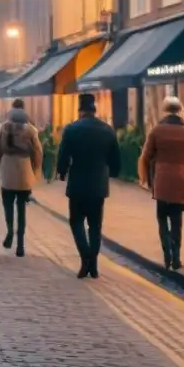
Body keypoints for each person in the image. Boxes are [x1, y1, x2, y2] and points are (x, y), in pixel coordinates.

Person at [56, 93, 120, 278]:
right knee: (95, 225)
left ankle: (86, 256)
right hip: (98, 184)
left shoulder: (72, 129)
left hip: (77, 183)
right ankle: (94, 263)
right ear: (94, 109)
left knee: (75, 222)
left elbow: (63, 154)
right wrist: (113, 173)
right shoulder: (107, 130)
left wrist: (61, 172)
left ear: (80, 110)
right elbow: (115, 158)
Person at [138, 96, 184, 271]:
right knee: (177, 220)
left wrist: (144, 178)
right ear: (180, 110)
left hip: (162, 180)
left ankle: (167, 255)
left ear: (165, 111)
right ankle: (177, 257)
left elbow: (145, 156)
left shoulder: (156, 131)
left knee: (162, 219)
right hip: (181, 181)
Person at [0, 102, 42, 256]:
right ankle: (20, 244)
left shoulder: (3, 128)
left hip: (8, 170)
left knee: (8, 206)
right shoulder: (31, 130)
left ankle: (9, 231)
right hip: (24, 171)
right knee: (22, 210)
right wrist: (36, 168)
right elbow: (37, 151)